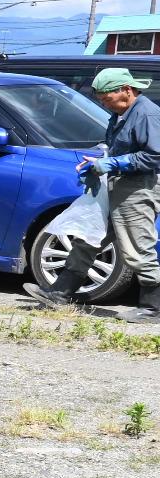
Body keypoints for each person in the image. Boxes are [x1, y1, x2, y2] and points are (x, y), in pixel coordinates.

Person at [25, 66, 160, 320]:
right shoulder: (122, 113)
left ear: (127, 91)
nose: (104, 104)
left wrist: (114, 163)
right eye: (100, 100)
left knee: (137, 248)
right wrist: (100, 157)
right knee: (88, 237)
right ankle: (60, 294)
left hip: (139, 188)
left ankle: (153, 309)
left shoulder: (147, 114)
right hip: (119, 185)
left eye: (106, 98)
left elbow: (155, 155)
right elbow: (117, 144)